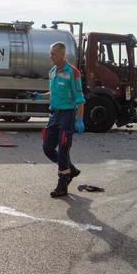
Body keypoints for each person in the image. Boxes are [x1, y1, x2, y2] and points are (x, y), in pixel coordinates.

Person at [31, 42, 85, 198]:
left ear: (62, 54)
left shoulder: (73, 72)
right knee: (47, 148)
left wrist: (79, 119)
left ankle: (62, 184)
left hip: (67, 116)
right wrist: (41, 96)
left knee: (62, 150)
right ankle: (71, 170)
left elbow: (79, 98)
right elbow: (53, 90)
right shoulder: (53, 71)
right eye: (50, 53)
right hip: (54, 115)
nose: (50, 56)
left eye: (53, 53)